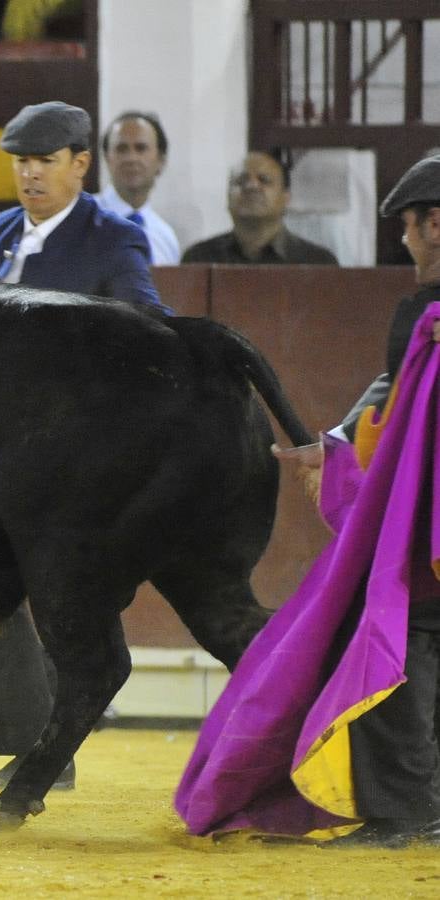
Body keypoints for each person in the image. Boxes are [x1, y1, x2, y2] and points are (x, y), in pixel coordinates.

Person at [0, 100, 165, 796]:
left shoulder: (113, 239)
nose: (30, 174)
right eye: (21, 161)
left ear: (80, 163)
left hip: (63, 461)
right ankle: (60, 708)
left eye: (45, 160)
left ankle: (40, 748)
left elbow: (147, 334)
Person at [268, 156, 440, 847]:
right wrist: (336, 440)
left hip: (427, 518)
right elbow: (400, 386)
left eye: (408, 227)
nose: (403, 242)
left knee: (395, 634)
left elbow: (405, 399)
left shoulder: (423, 312)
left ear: (436, 224)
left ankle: (409, 809)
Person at [181, 151, 339, 265]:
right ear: (227, 198)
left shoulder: (317, 262)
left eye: (264, 180)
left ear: (286, 197)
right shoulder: (199, 258)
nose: (252, 186)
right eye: (241, 180)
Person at [96, 110, 180, 265]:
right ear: (107, 158)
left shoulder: (166, 237)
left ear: (161, 160)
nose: (131, 158)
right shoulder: (81, 218)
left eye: (141, 148)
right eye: (121, 148)